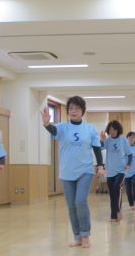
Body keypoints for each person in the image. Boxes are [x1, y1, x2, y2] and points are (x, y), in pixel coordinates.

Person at [42, 96, 104, 248]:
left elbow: (96, 148)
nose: (73, 111)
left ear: (82, 110)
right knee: (71, 205)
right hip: (67, 172)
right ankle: (77, 236)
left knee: (80, 201)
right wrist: (46, 124)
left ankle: (85, 234)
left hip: (85, 170)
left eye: (76, 108)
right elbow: (53, 130)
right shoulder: (63, 127)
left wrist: (100, 165)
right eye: (70, 108)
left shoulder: (90, 128)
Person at [100, 120, 132, 222]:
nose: (112, 131)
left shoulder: (123, 140)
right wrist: (102, 140)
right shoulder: (108, 140)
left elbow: (130, 154)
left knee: (116, 187)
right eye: (110, 130)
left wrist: (128, 164)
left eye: (113, 129)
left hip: (121, 170)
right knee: (112, 193)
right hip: (110, 171)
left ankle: (118, 211)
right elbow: (101, 147)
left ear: (118, 130)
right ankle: (114, 216)